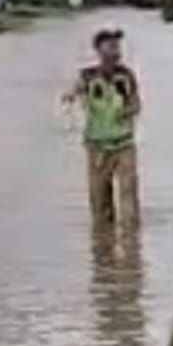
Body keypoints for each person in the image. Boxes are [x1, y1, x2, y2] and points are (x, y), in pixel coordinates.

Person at [66, 27, 142, 224]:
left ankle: (130, 245)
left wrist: (129, 110)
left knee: (129, 196)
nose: (116, 51)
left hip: (124, 144)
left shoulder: (126, 76)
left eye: (117, 47)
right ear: (98, 50)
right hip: (97, 145)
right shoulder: (88, 76)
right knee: (100, 201)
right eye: (110, 46)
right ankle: (102, 246)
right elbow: (73, 91)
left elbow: (136, 103)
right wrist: (72, 96)